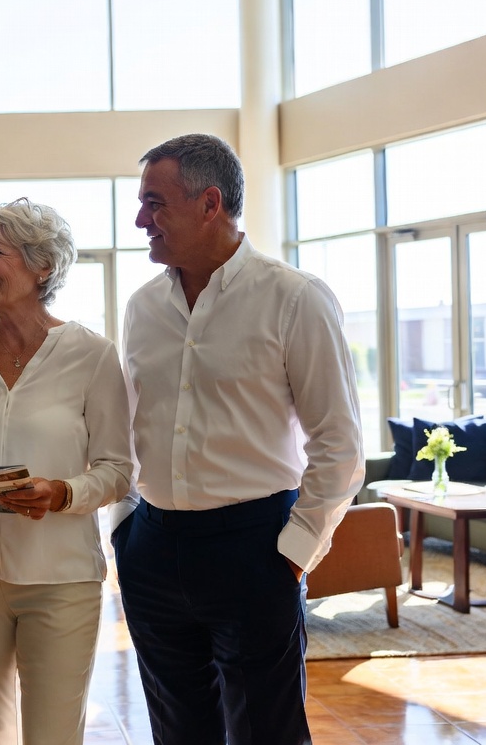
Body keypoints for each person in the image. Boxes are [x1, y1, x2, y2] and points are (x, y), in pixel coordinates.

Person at [113, 134, 364, 744]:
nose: (141, 219)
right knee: (177, 729)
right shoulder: (142, 307)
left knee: (264, 731)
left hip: (255, 549)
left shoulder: (295, 298)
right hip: (152, 547)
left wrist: (292, 554)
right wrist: (125, 529)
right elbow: (127, 425)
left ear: (209, 203)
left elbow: (339, 442)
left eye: (154, 202)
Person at [0, 198, 132, 745]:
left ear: (42, 267)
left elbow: (118, 469)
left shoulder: (93, 354)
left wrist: (62, 492)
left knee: (53, 736)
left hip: (60, 579)